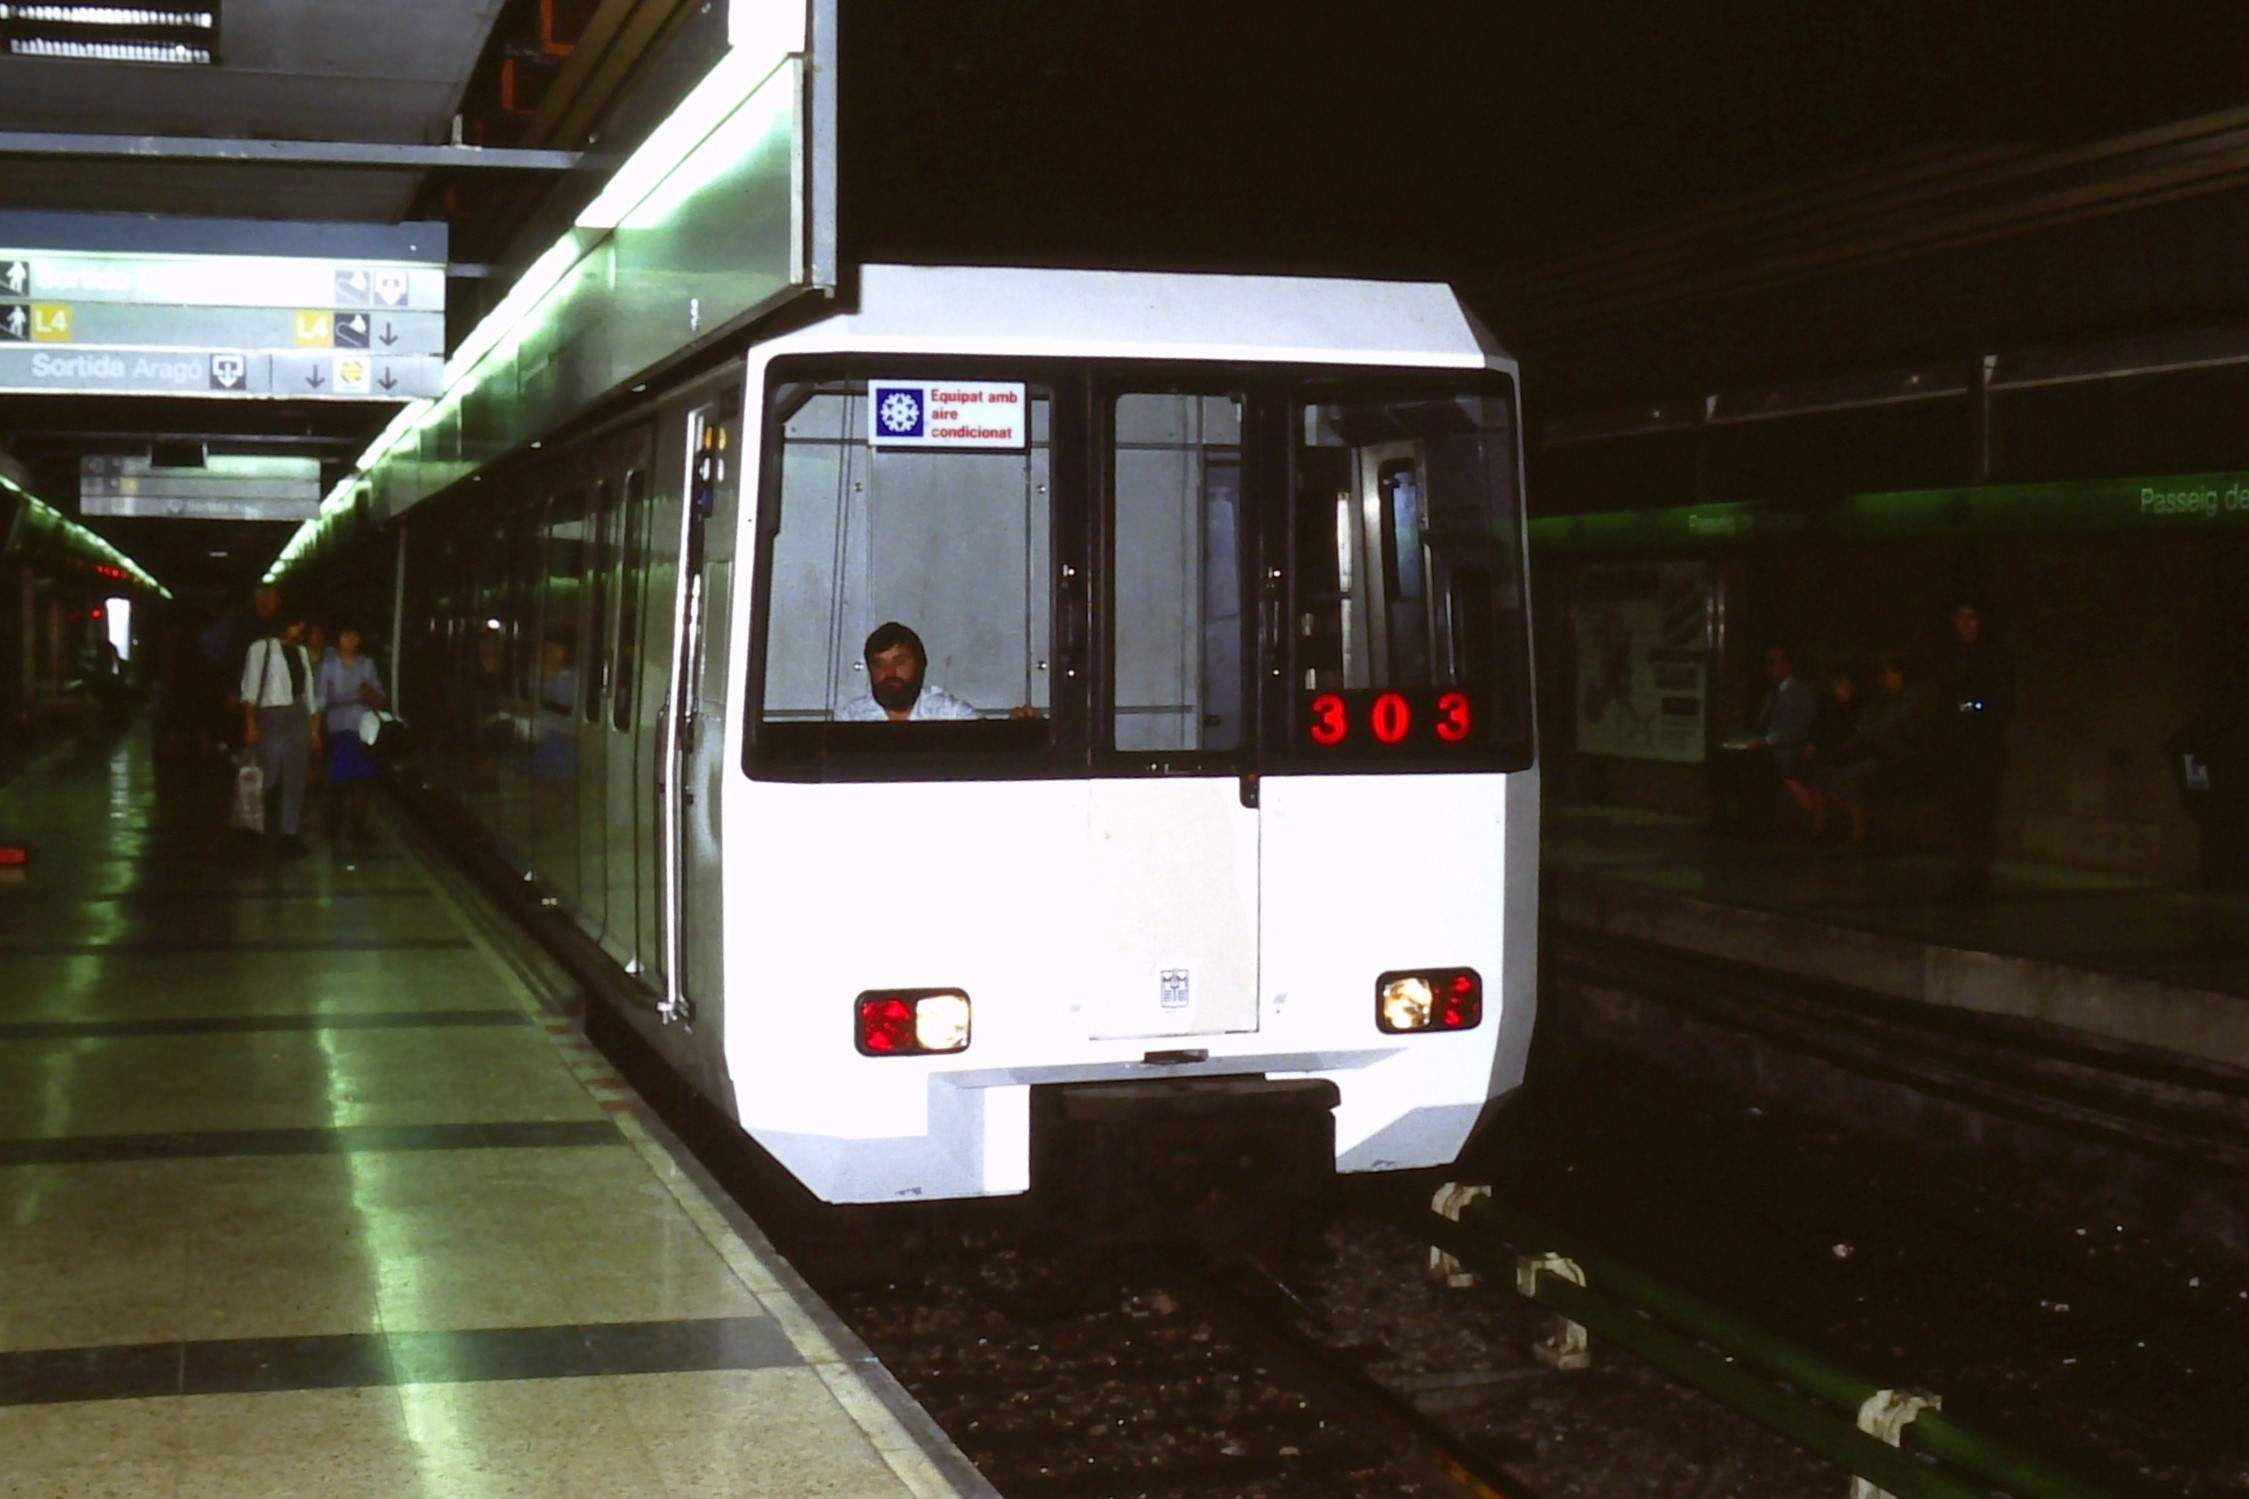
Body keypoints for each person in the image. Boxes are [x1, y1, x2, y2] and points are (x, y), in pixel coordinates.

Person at [1811, 652, 1938, 845]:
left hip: (1902, 758)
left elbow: (1889, 731)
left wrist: (1868, 739)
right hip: (1879, 754)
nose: (1884, 678)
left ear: (1900, 674)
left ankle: (1858, 833)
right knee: (1824, 774)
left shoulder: (1912, 700)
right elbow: (1865, 730)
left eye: (1888, 673)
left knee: (1852, 775)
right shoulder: (1882, 701)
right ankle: (1821, 828)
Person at [1934, 600, 2012, 899]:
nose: (1966, 624)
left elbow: (2000, 700)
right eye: (1960, 617)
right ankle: (1960, 871)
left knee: (1981, 814)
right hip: (1955, 748)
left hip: (1983, 749)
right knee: (1957, 812)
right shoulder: (1951, 658)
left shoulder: (1992, 657)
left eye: (1972, 617)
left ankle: (1977, 874)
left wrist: (1973, 707)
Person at [837, 621, 1039, 722]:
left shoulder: (949, 713)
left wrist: (1018, 727)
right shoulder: (851, 718)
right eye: (879, 665)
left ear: (921, 664)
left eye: (899, 661)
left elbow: (993, 743)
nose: (889, 672)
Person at [241, 604, 322, 855]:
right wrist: (251, 723)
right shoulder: (260, 649)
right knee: (269, 771)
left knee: (296, 774)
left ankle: (290, 832)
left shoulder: (301, 653)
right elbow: (250, 688)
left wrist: (314, 729)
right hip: (272, 713)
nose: (299, 629)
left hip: (297, 713)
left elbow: (309, 692)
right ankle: (250, 823)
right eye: (296, 624)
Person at [1711, 643, 1817, 832]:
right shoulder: (1770, 694)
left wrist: (1768, 741)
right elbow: (1761, 726)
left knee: (1752, 763)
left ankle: (1751, 822)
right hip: (1764, 747)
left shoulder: (1800, 693)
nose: (1769, 669)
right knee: (1723, 757)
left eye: (1773, 663)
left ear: (1787, 665)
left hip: (1783, 750)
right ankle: (1722, 815)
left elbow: (1798, 729)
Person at [317, 624, 386, 848]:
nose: (351, 640)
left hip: (365, 729)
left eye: (355, 636)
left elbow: (380, 697)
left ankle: (358, 828)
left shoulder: (367, 664)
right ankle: (333, 827)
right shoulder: (328, 666)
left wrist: (370, 695)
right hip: (340, 728)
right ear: (338, 639)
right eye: (346, 635)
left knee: (363, 781)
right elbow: (320, 700)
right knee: (340, 780)